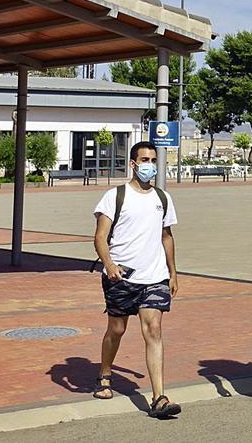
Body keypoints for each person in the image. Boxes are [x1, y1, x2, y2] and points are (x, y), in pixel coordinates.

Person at [91, 141, 182, 419]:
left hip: (154, 276)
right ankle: (105, 374)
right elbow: (100, 237)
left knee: (153, 329)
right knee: (117, 330)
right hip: (121, 277)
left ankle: (159, 398)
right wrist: (109, 264)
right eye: (144, 160)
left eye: (153, 160)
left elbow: (167, 236)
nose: (150, 165)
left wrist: (173, 271)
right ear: (133, 163)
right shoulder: (115, 196)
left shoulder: (162, 198)